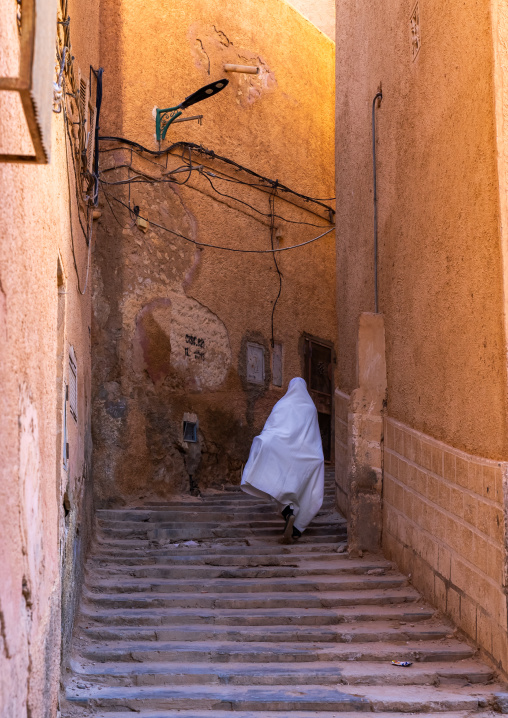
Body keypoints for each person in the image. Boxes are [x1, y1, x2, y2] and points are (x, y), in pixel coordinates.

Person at [241, 377, 324, 544]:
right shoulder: (311, 408)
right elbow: (314, 434)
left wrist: (266, 440)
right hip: (307, 457)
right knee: (305, 492)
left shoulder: (282, 404)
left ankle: (288, 513)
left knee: (278, 484)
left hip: (282, 452)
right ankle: (296, 527)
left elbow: (272, 426)